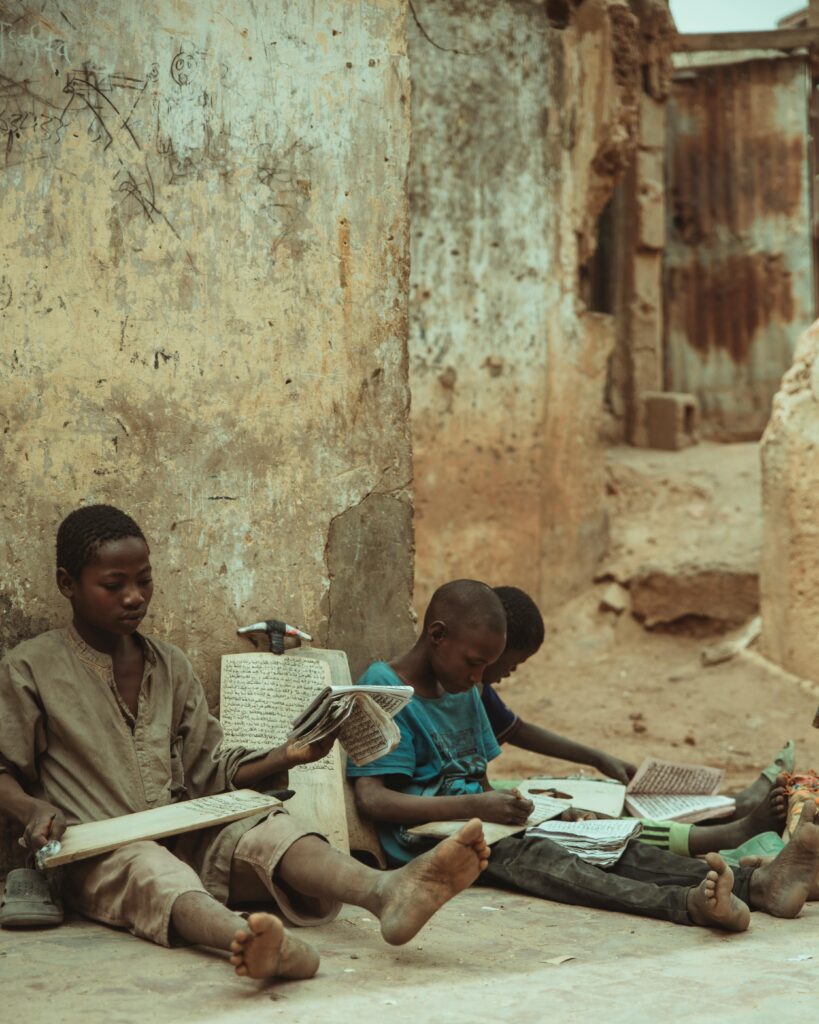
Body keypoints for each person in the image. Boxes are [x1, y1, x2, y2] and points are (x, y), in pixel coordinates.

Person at [0, 506, 490, 980]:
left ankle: (385, 891)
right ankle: (250, 941)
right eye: (114, 585)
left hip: (184, 830)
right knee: (149, 866)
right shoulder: (31, 668)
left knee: (266, 825)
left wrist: (290, 754)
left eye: (144, 580)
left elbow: (211, 767)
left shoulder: (169, 664)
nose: (134, 597)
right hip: (99, 849)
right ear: (68, 584)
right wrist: (29, 809)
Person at [348, 579, 819, 933]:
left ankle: (754, 885)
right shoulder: (385, 690)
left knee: (605, 843)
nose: (480, 680)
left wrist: (524, 808)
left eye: (486, 669)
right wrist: (477, 807)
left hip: (488, 825)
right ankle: (687, 905)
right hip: (430, 844)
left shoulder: (464, 684)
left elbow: (476, 780)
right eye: (475, 665)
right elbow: (374, 800)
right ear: (437, 635)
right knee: (556, 864)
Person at [486, 585, 791, 859]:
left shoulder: (471, 688)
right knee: (587, 819)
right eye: (511, 663)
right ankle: (722, 834)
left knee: (593, 791)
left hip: (478, 795)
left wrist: (597, 758)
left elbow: (516, 729)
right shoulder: (463, 687)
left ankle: (731, 808)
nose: (511, 672)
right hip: (473, 803)